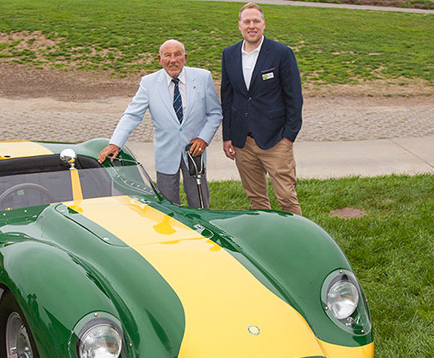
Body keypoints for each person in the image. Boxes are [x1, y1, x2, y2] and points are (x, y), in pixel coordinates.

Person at [98, 39, 222, 208]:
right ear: (160, 59)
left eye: (177, 55)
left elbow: (215, 113)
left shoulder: (202, 77)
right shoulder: (148, 83)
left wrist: (203, 139)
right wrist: (115, 143)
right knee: (168, 209)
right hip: (165, 155)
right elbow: (132, 115)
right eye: (167, 55)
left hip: (195, 154)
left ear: (185, 58)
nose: (173, 60)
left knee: (200, 204)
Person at [220, 2, 304, 215]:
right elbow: (227, 97)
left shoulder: (281, 53)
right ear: (239, 26)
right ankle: (267, 240)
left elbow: (294, 98)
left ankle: (297, 240)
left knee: (286, 197)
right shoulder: (229, 54)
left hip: (275, 140)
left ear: (263, 24)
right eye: (247, 21)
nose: (251, 25)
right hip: (243, 142)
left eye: (256, 21)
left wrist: (289, 137)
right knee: (256, 199)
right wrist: (227, 136)